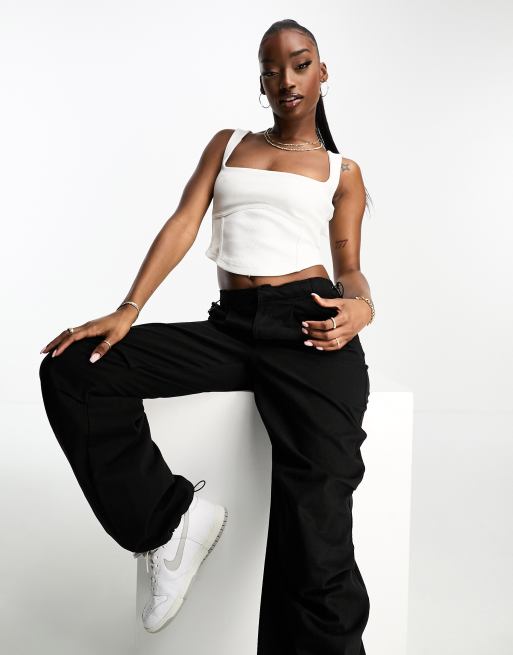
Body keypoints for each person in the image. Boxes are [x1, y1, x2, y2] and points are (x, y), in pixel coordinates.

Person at [39, 17, 375, 655]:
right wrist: (129, 308)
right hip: (233, 326)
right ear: (261, 81)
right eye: (272, 69)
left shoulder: (342, 171)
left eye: (300, 63)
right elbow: (183, 223)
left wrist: (361, 307)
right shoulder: (227, 144)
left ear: (323, 73)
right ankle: (170, 522)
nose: (286, 79)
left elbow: (350, 266)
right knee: (75, 367)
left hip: (308, 326)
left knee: (317, 518)